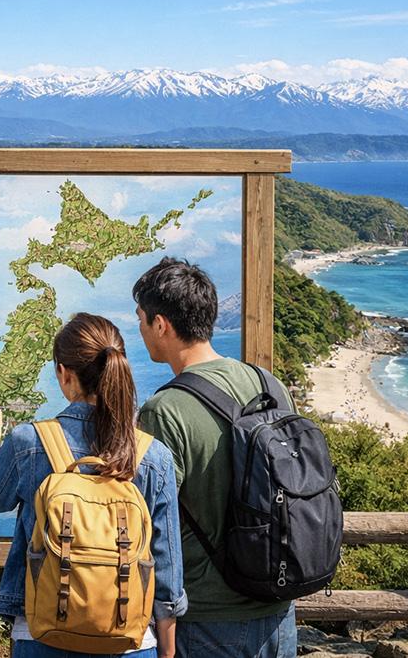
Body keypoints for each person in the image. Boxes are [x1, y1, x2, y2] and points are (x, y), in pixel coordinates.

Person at [0, 312, 187, 658]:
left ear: (64, 374)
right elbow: (166, 564)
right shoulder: (152, 455)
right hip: (129, 638)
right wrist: (166, 648)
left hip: (42, 633)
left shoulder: (30, 441)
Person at [131, 258, 297, 657]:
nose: (138, 330)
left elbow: (148, 521)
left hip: (210, 618)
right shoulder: (268, 384)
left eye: (140, 318)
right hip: (279, 609)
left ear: (161, 324)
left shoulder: (164, 410)